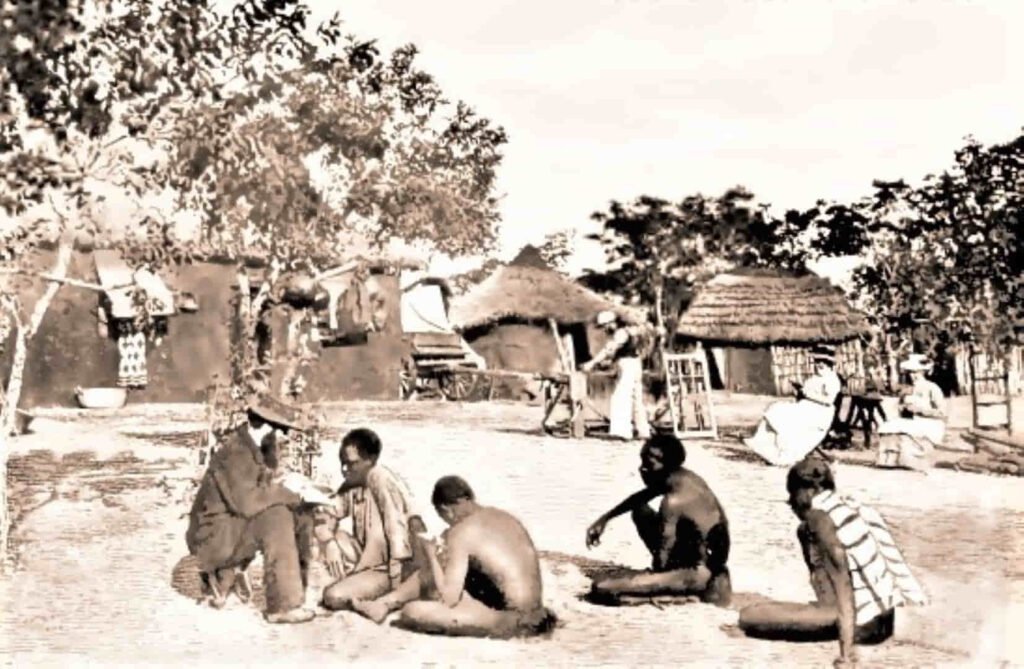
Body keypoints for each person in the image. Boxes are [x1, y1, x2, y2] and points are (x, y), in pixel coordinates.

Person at [739, 457, 928, 668]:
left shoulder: (818, 519)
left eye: (793, 496)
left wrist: (846, 656)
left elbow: (843, 585)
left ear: (807, 492)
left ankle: (833, 622)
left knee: (749, 615)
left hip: (859, 625)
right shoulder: (854, 506)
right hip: (884, 622)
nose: (792, 504)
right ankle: (830, 615)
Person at [350, 476, 556, 639]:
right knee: (441, 567)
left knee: (412, 612)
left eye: (443, 517)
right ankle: (384, 604)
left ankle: (386, 604)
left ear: (446, 509)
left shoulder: (461, 532)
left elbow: (448, 598)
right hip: (538, 612)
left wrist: (431, 553)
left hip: (516, 620)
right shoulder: (501, 516)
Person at [186, 394, 321, 624]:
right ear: (266, 427)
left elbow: (261, 488)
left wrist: (295, 491)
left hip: (232, 527)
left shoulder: (254, 446)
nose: (284, 437)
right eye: (281, 431)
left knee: (301, 513)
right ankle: (282, 606)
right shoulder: (236, 451)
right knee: (277, 516)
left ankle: (295, 590)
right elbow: (248, 503)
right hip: (212, 537)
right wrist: (289, 494)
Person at [584, 434, 732, 606]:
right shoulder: (684, 478)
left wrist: (645, 580)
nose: (642, 469)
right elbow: (640, 497)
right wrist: (605, 519)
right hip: (706, 564)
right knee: (639, 510)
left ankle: (677, 595)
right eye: (642, 463)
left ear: (667, 467)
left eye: (649, 464)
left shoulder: (673, 502)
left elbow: (661, 560)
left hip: (697, 574)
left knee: (602, 587)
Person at [319, 428, 418, 611]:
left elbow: (396, 529)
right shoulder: (352, 483)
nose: (345, 469)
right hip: (368, 559)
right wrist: (329, 543)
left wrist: (397, 587)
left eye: (351, 463)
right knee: (327, 538)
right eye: (342, 463)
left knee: (333, 596)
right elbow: (328, 514)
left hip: (392, 568)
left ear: (370, 460)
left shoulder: (380, 478)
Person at [744, 344, 842, 466]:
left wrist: (808, 395)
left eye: (822, 363)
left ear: (828, 364)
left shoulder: (831, 380)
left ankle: (784, 454)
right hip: (806, 406)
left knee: (788, 418)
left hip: (819, 412)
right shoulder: (815, 377)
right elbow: (807, 391)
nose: (818, 365)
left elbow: (828, 400)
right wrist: (801, 391)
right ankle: (767, 447)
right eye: (817, 362)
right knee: (776, 409)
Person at [581, 310, 651, 441]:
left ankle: (622, 431)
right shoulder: (632, 330)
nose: (605, 329)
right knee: (636, 398)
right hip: (636, 363)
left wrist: (592, 363)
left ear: (612, 323)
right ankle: (643, 430)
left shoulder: (621, 333)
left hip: (627, 364)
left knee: (620, 397)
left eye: (606, 326)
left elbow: (609, 350)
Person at [876, 354, 946, 472]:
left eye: (916, 373)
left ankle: (913, 461)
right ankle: (890, 460)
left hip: (931, 423)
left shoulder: (932, 388)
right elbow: (900, 409)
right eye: (911, 373)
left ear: (923, 372)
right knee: (889, 427)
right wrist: (902, 408)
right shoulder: (907, 389)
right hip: (912, 421)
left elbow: (942, 412)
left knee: (907, 431)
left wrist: (920, 410)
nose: (913, 376)